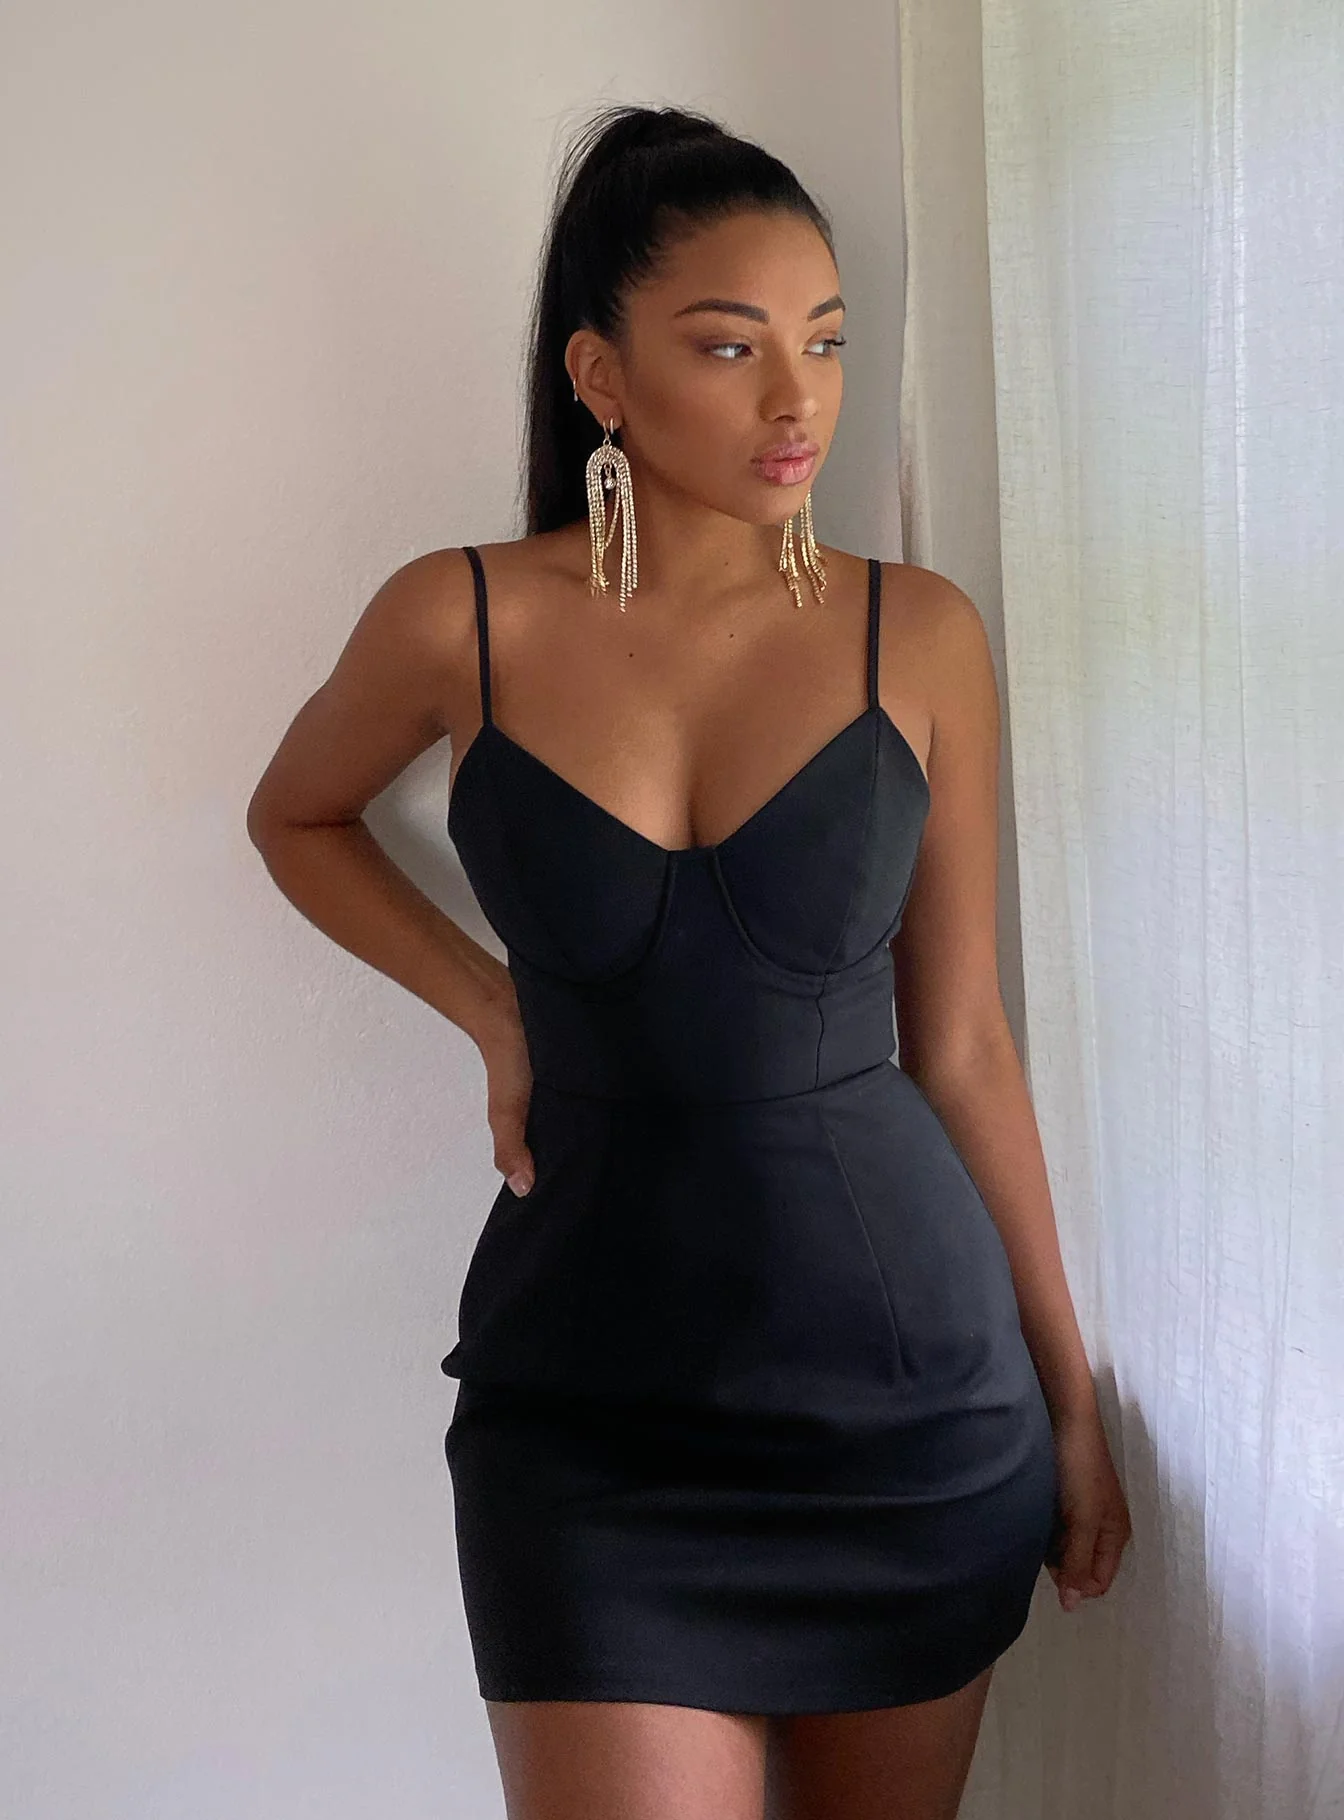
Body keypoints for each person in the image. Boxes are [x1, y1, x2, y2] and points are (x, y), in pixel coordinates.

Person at [247, 102, 1131, 1820]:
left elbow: (962, 1044)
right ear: (602, 373)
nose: (798, 399)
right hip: (588, 1425)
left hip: (909, 1408)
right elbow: (297, 816)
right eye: (731, 348)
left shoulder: (917, 633)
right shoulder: (459, 617)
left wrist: (1071, 1405)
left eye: (827, 342)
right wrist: (494, 1009)